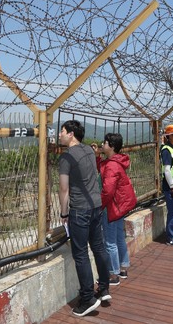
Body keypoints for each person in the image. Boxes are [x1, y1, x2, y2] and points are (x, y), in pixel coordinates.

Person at [58, 120, 111, 317]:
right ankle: (104, 288)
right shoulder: (89, 150)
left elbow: (64, 188)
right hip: (96, 206)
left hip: (80, 209)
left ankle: (88, 297)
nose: (60, 135)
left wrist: (64, 213)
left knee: (80, 254)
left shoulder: (66, 157)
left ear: (71, 134)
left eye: (62, 131)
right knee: (98, 247)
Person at [92, 133, 137, 287]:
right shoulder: (115, 162)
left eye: (104, 143)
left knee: (109, 242)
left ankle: (113, 274)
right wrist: (97, 156)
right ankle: (123, 267)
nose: (102, 145)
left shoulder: (112, 165)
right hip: (119, 207)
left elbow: (108, 190)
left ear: (111, 146)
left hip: (111, 208)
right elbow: (102, 170)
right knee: (119, 238)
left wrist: (100, 205)